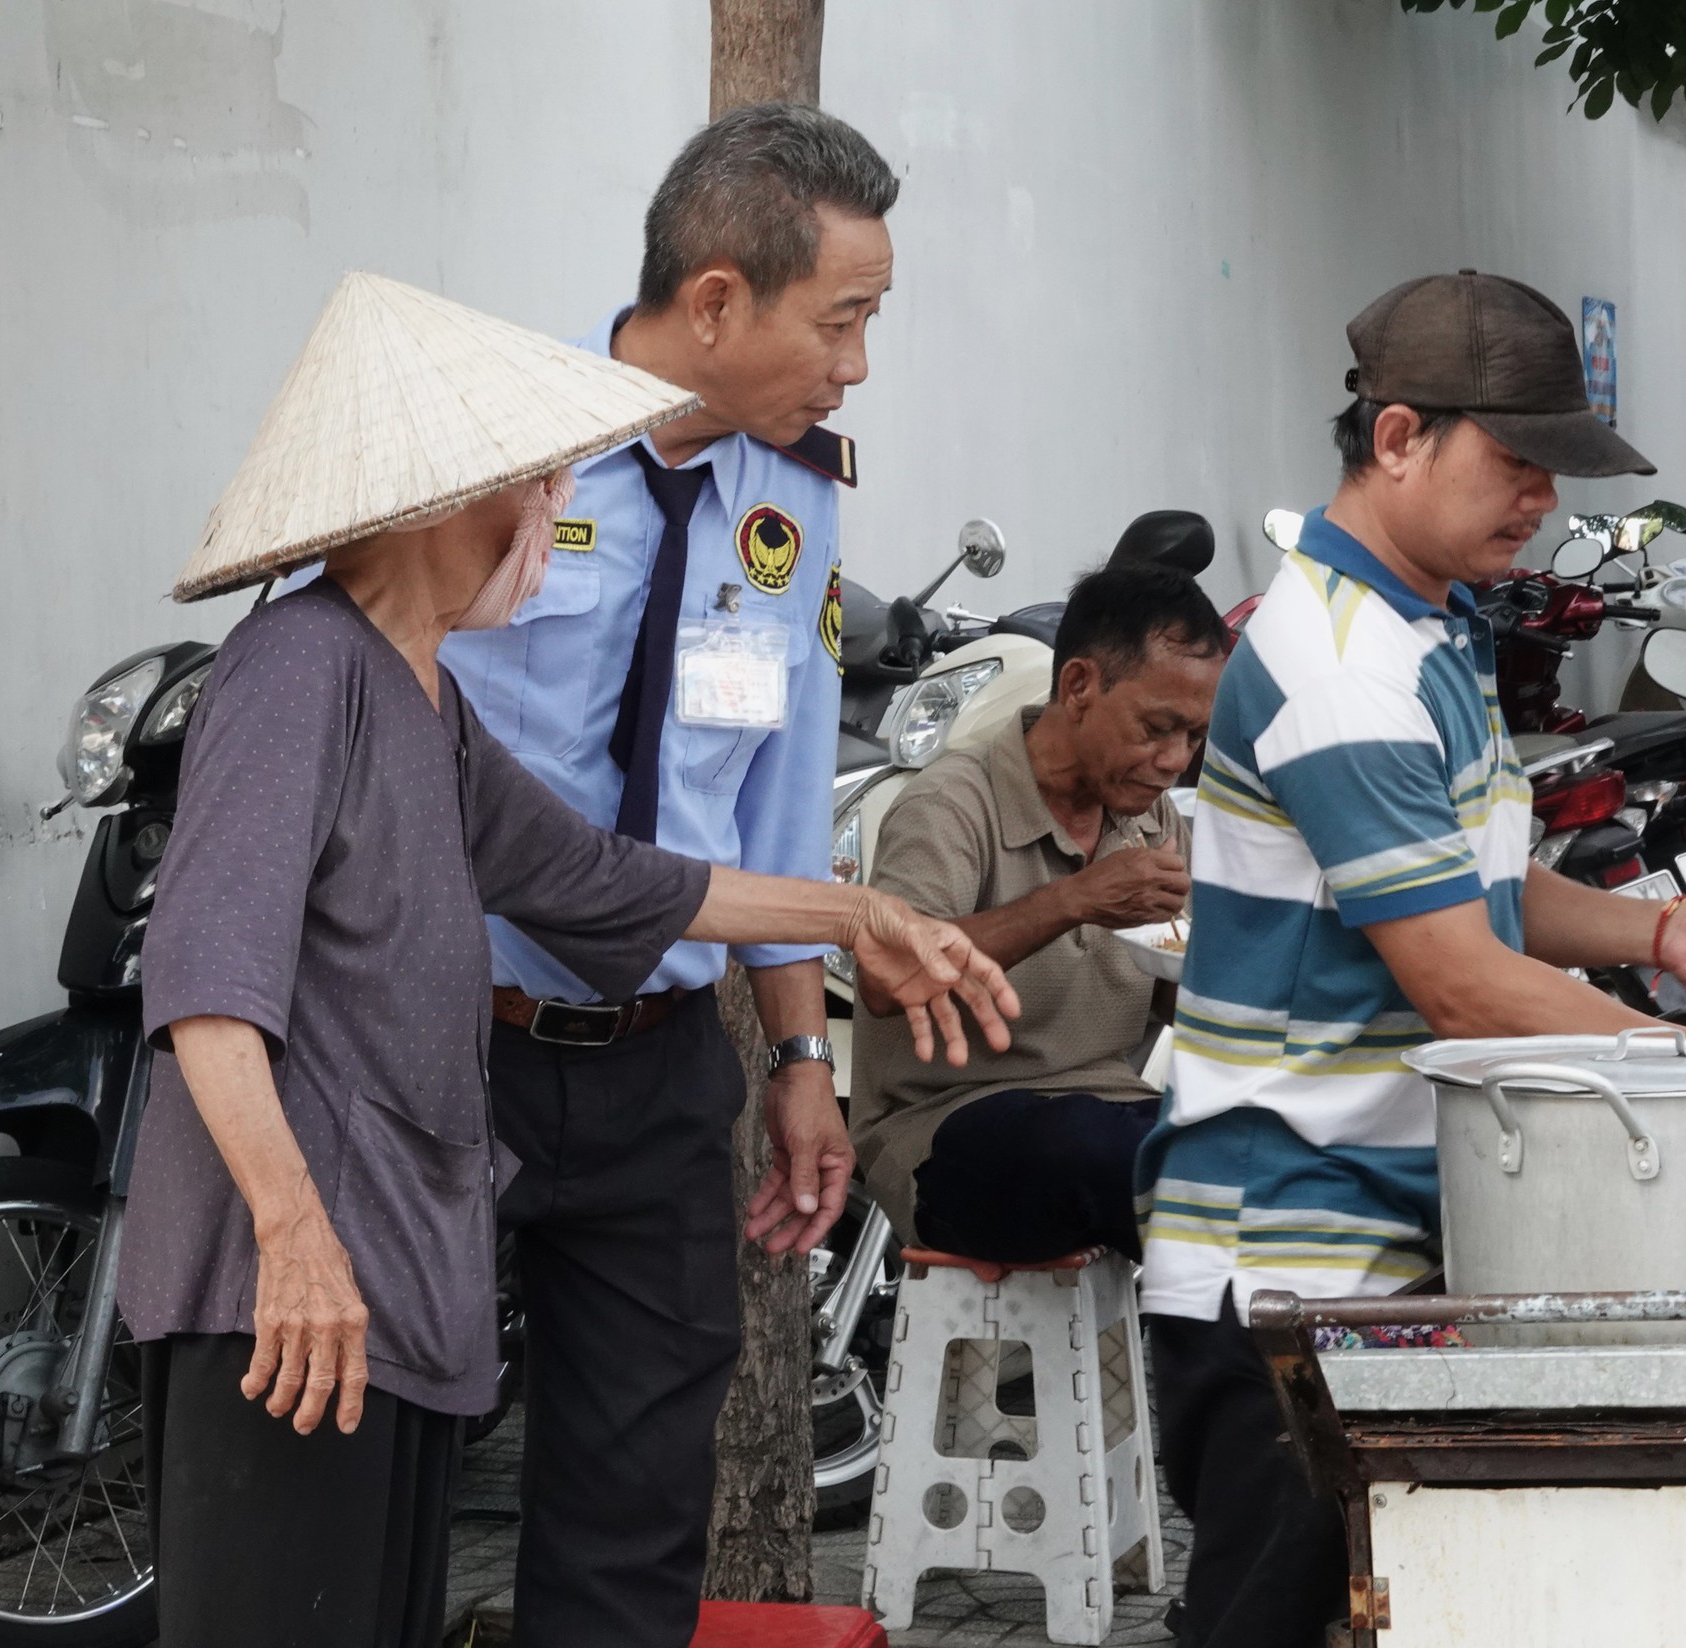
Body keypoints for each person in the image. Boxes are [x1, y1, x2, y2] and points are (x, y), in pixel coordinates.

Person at [117, 272, 1017, 1648]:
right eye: (528, 491)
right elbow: (205, 985)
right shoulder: (301, 667)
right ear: (435, 506)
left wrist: (852, 920)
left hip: (390, 1285)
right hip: (289, 1296)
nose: (552, 518)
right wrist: (292, 1238)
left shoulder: (425, 699)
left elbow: (602, 881)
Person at [1137, 270, 1686, 1648]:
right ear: (1395, 440)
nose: (1543, 500)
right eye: (1516, 463)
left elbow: (1483, 893)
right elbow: (1455, 975)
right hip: (1290, 1260)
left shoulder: (1426, 626)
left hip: (1389, 1232)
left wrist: (1667, 934)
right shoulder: (1336, 662)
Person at [432, 104, 896, 1647]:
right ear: (715, 300)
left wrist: (803, 1055)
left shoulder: (798, 498)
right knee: (383, 1462)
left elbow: (770, 794)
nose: (858, 366)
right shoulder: (492, 447)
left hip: (656, 1072)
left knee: (632, 1513)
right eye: (842, 320)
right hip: (445, 1047)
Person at [851, 561, 1227, 1262]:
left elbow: (1191, 1001)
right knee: (1114, 1157)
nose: (1176, 760)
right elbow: (885, 977)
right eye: (1156, 728)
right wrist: (1074, 901)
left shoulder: (1153, 824)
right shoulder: (954, 804)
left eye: (1195, 738)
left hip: (1110, 1109)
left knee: (1258, 1158)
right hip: (943, 1131)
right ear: (1079, 686)